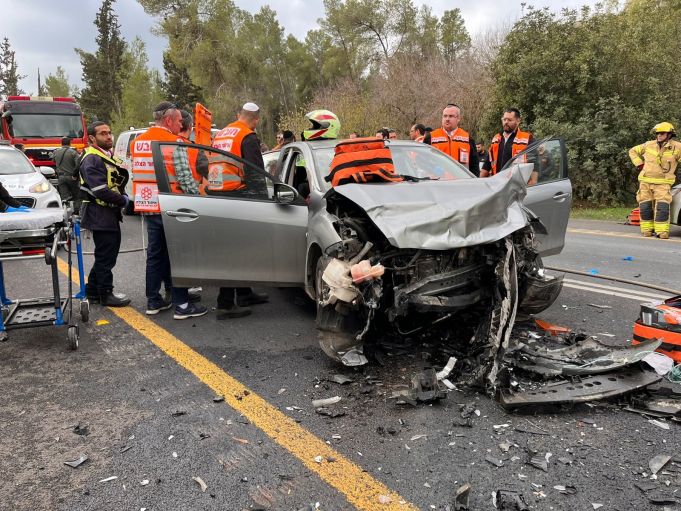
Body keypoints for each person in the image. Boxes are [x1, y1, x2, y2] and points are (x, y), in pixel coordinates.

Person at [131, 101, 208, 319]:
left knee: (155, 255)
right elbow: (184, 178)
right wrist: (199, 201)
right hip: (172, 206)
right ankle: (182, 305)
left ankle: (153, 301)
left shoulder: (139, 142)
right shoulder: (175, 142)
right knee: (178, 255)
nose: (180, 124)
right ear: (168, 120)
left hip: (148, 205)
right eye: (178, 121)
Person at [212, 102, 270, 319]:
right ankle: (225, 304)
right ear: (256, 120)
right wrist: (263, 202)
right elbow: (255, 172)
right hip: (238, 196)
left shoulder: (223, 134)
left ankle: (244, 293)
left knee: (234, 248)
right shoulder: (248, 136)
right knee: (235, 251)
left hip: (218, 194)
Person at [78, 122, 130, 307]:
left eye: (109, 133)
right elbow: (100, 190)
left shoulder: (103, 155)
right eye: (103, 134)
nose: (109, 136)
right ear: (92, 138)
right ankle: (106, 294)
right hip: (99, 212)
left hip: (106, 212)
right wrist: (123, 200)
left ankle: (92, 291)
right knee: (106, 256)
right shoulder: (92, 158)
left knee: (105, 254)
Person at [629, 122, 681, 239]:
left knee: (662, 208)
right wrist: (639, 164)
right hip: (645, 182)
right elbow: (632, 151)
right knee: (645, 206)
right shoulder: (648, 144)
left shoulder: (677, 147)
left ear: (669, 134)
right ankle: (647, 230)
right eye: (657, 133)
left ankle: (661, 232)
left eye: (662, 133)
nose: (659, 135)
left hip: (663, 184)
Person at [481, 108, 533, 178]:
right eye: (504, 119)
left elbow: (535, 164)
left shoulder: (527, 138)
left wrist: (532, 184)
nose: (506, 122)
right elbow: (487, 164)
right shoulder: (496, 138)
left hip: (516, 184)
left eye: (509, 120)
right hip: (497, 182)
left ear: (518, 121)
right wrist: (479, 182)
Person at [429, 104, 479, 176]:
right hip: (437, 183)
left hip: (460, 183)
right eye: (445, 116)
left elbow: (474, 165)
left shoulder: (467, 138)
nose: (447, 119)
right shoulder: (431, 137)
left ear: (458, 118)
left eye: (451, 116)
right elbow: (423, 161)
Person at [53, 137, 81, 213]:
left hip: (61, 177)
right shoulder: (73, 152)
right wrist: (75, 175)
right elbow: (78, 164)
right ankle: (76, 212)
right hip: (72, 177)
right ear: (70, 143)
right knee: (77, 196)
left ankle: (65, 212)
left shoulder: (56, 152)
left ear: (61, 143)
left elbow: (53, 161)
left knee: (64, 197)